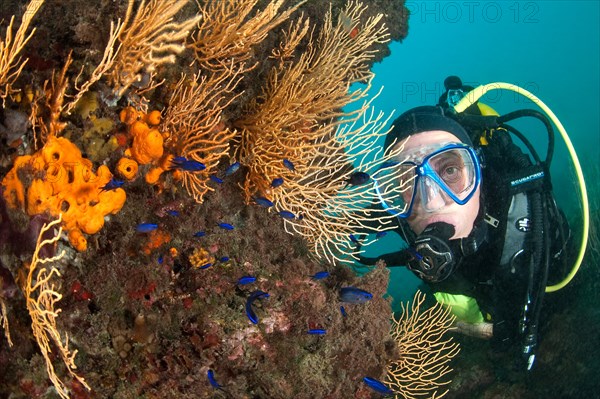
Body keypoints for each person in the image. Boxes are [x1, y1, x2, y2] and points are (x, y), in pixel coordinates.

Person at [359, 77, 574, 370]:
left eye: (449, 169)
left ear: (479, 172)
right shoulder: (402, 217)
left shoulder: (523, 213)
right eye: (407, 180)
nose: (432, 200)